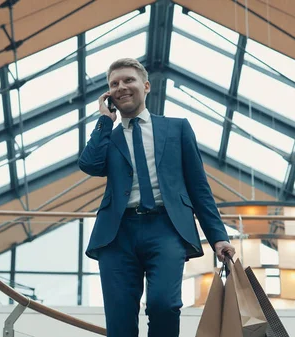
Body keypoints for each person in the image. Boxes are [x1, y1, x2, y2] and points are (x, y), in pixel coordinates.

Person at [79, 58, 235, 337]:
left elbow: (199, 187)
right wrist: (104, 120)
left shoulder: (177, 128)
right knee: (120, 319)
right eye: (114, 84)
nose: (121, 87)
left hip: (165, 228)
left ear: (146, 86)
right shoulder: (108, 137)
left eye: (128, 80)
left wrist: (218, 236)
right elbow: (90, 165)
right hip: (117, 234)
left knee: (164, 304)